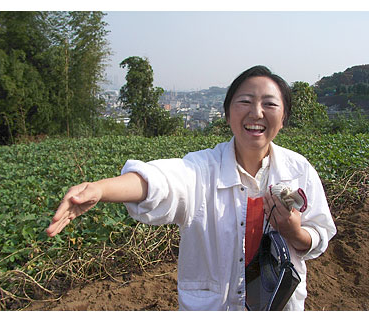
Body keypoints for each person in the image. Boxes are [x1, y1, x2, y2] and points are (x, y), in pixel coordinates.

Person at [46, 65, 336, 311]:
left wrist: (294, 232)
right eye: (245, 101)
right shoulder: (202, 169)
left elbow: (320, 234)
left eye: (270, 104)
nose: (256, 112)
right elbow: (161, 180)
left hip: (278, 305)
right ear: (227, 114)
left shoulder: (298, 171)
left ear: (283, 118)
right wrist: (100, 189)